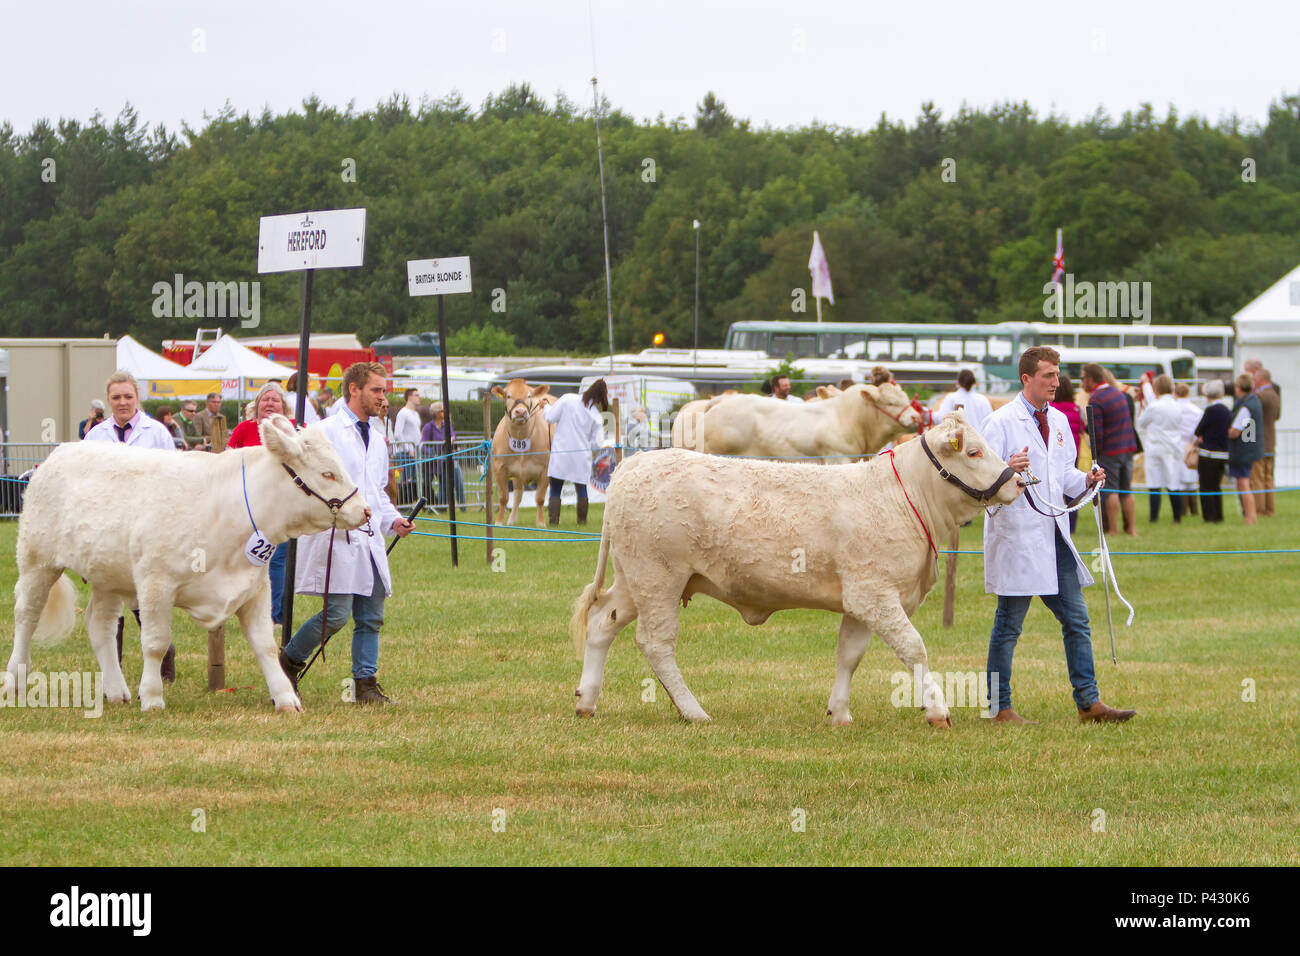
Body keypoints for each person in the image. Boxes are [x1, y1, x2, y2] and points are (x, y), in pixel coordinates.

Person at [982, 347, 1134, 725]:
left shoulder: (1062, 423)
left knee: (1078, 621)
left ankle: (1089, 703)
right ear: (1026, 379)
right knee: (1008, 626)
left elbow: (1062, 477)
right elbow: (980, 482)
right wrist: (1005, 469)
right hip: (1018, 538)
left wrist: (1086, 479)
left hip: (1054, 537)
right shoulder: (1000, 422)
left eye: (1057, 374)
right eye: (1048, 375)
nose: (1056, 382)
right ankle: (998, 707)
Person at [278, 362, 413, 704]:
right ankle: (288, 662)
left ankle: (365, 684)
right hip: (336, 535)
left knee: (372, 615)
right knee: (336, 614)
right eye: (377, 390)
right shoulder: (325, 432)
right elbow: (309, 482)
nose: (383, 397)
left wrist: (393, 520)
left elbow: (376, 490)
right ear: (354, 389)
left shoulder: (378, 439)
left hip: (369, 538)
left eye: (384, 390)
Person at [84, 370, 179, 682]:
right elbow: (86, 485)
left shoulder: (158, 434)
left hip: (147, 525)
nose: (122, 402)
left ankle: (164, 657)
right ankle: (116, 666)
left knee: (144, 593)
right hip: (107, 528)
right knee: (108, 594)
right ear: (108, 400)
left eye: (128, 396)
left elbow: (173, 479)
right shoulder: (95, 436)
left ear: (137, 398)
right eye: (116, 397)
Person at [227, 382, 293, 626]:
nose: (269, 404)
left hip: (280, 508)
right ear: (256, 406)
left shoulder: (292, 431)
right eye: (265, 399)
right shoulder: (244, 429)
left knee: (276, 560)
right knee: (247, 559)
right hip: (247, 507)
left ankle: (275, 615)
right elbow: (228, 461)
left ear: (284, 407)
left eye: (275, 400)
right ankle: (243, 610)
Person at [1082, 363, 1138, 537]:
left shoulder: (1096, 399)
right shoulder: (1118, 393)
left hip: (1110, 451)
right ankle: (1131, 529)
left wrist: (1095, 455)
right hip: (1128, 447)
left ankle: (1113, 530)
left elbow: (1096, 431)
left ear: (1091, 380)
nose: (1082, 382)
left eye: (1083, 378)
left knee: (1111, 490)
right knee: (1126, 491)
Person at [545, 379, 607, 526]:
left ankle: (553, 523)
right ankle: (581, 523)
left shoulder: (567, 399)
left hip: (561, 453)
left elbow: (549, 417)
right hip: (581, 456)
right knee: (581, 489)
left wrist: (546, 406)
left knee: (555, 488)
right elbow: (597, 443)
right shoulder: (596, 416)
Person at [1136, 374, 1186, 524]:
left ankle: (1154, 518)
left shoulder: (1154, 406)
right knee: (1173, 482)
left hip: (1155, 445)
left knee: (1154, 482)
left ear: (1156, 388)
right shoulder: (1178, 405)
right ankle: (1177, 517)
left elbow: (1142, 422)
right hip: (1173, 446)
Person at [1050, 373, 1085, 533]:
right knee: (1072, 491)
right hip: (1074, 452)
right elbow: (1083, 428)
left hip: (1057, 452)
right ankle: (1072, 523)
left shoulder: (1052, 409)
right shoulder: (1076, 409)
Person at [1193, 379, 1232, 523]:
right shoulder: (1226, 410)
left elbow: (1199, 430)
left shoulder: (1210, 410)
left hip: (1208, 453)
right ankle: (1218, 515)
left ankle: (1208, 516)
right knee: (1216, 486)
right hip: (1222, 453)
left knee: (1205, 486)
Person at [1228, 374, 1263, 526]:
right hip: (1249, 448)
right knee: (1244, 483)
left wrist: (1226, 432)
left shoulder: (1245, 407)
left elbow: (1235, 430)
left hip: (1243, 451)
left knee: (1243, 484)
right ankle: (1251, 516)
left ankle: (1250, 517)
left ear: (1238, 388)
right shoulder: (1254, 402)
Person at [420, 401, 463, 509]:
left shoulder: (447, 425)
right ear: (437, 413)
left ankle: (451, 507)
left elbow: (453, 436)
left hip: (446, 460)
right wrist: (432, 453)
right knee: (431, 485)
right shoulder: (428, 427)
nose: (445, 412)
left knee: (450, 483)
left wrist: (452, 439)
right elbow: (423, 445)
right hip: (432, 462)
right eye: (443, 410)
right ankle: (431, 507)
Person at [1250, 368, 1280, 518]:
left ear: (1261, 379)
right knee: (1269, 478)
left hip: (1259, 442)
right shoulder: (1275, 395)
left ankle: (1259, 509)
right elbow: (1277, 417)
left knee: (1257, 478)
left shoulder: (1260, 397)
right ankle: (1270, 509)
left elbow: (1252, 418)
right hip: (1271, 441)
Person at [936, 368, 993, 435]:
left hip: (958, 442)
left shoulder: (951, 398)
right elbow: (990, 423)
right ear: (974, 382)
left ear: (958, 382)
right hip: (979, 442)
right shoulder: (983, 399)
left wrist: (927, 414)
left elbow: (940, 418)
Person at [1173, 383, 1201, 517]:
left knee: (1181, 478)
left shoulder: (1173, 408)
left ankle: (1183, 510)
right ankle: (1194, 509)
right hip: (1191, 443)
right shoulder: (1196, 410)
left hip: (1177, 443)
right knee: (1191, 476)